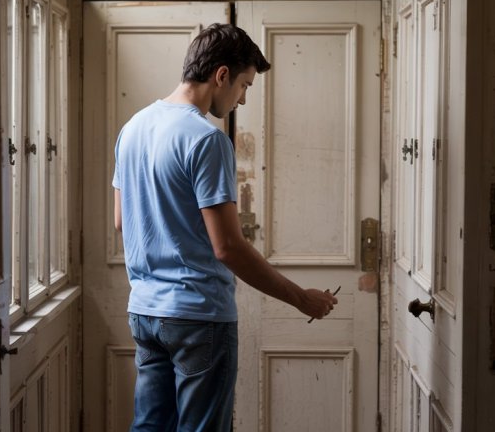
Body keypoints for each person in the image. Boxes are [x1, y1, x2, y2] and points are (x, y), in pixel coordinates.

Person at [112, 23, 338, 431]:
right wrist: (300, 299)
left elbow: (120, 221)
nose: (243, 98)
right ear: (221, 75)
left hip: (144, 311)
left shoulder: (133, 128)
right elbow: (228, 248)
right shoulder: (206, 140)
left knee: (149, 427)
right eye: (245, 85)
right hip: (198, 317)